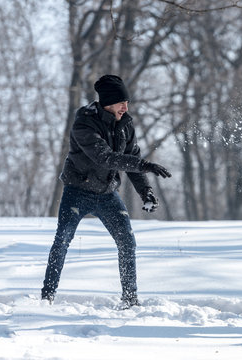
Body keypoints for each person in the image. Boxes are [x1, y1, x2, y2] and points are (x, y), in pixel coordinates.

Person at [41, 75, 171, 309]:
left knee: (127, 243)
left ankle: (130, 299)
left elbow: (131, 159)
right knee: (62, 241)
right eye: (121, 102)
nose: (125, 107)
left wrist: (146, 192)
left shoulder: (125, 125)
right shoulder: (84, 124)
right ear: (107, 102)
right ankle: (47, 297)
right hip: (77, 192)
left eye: (127, 102)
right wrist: (143, 165)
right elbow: (105, 157)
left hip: (107, 194)